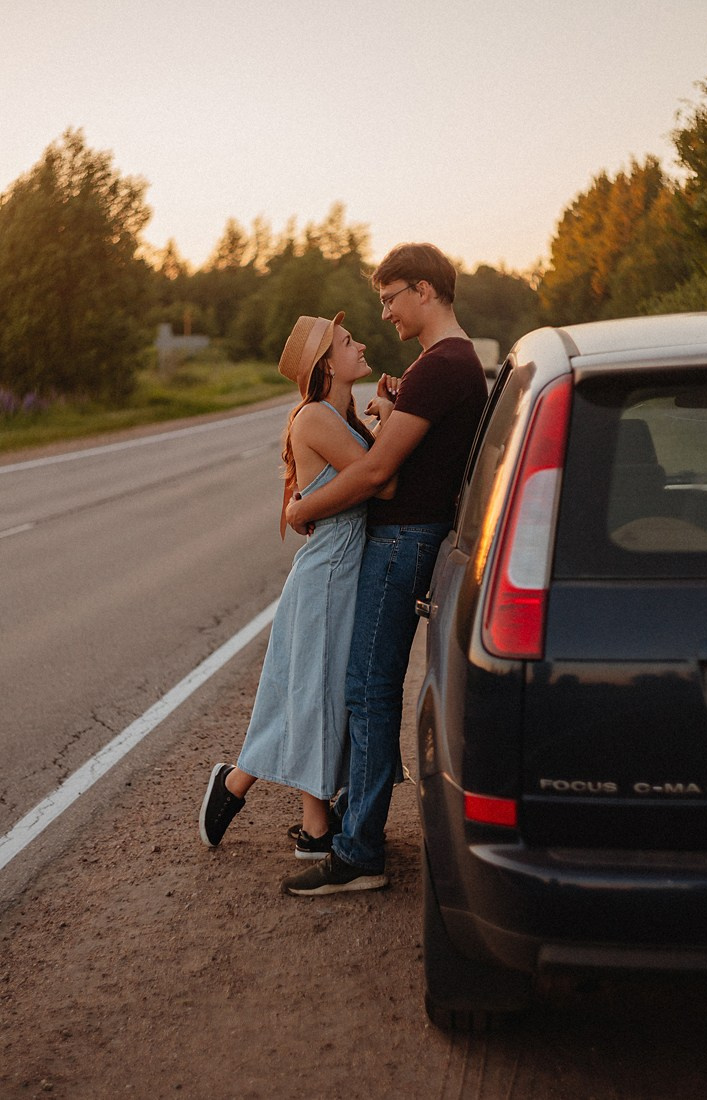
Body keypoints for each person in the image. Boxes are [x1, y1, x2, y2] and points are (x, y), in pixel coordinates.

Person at [281, 242, 488, 896]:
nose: (385, 313)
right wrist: (393, 410)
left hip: (402, 541)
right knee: (369, 686)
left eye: (390, 298)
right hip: (410, 538)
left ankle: (359, 852)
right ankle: (357, 829)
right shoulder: (445, 364)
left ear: (424, 290)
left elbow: (375, 473)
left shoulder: (442, 365)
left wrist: (301, 508)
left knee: (369, 689)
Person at [198, 311, 397, 858]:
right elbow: (380, 480)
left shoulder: (341, 417)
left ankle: (239, 785)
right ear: (326, 365)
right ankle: (312, 828)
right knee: (315, 695)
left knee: (317, 694)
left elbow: (369, 472)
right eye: (347, 342)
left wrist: (382, 417)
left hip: (343, 574)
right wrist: (390, 419)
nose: (360, 344)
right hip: (326, 578)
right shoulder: (314, 418)